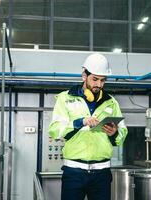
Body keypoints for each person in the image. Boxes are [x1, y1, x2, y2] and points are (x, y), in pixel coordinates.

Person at [48, 53, 128, 200]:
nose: (99, 84)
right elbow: (55, 130)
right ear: (84, 75)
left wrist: (114, 133)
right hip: (74, 172)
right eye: (95, 79)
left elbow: (123, 134)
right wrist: (80, 122)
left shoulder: (112, 102)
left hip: (102, 173)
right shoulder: (65, 99)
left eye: (103, 80)